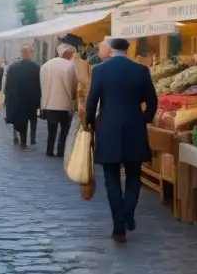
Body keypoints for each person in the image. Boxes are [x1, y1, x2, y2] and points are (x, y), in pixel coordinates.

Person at [85, 37, 157, 244]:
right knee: (134, 176)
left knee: (111, 178)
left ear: (111, 49)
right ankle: (128, 214)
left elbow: (91, 102)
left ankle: (119, 226)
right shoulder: (141, 71)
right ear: (128, 50)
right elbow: (152, 101)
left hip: (108, 129)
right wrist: (144, 119)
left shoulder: (99, 70)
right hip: (134, 127)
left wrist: (89, 123)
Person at [40, 43, 78, 158]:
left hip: (50, 102)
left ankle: (49, 150)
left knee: (51, 129)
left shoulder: (46, 65)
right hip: (64, 103)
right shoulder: (70, 65)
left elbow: (42, 84)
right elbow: (74, 84)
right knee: (64, 128)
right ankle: (61, 150)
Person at [4, 45, 41, 147]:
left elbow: (8, 85)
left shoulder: (13, 67)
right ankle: (32, 138)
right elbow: (39, 85)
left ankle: (22, 138)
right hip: (32, 100)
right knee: (33, 119)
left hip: (18, 99)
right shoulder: (36, 67)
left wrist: (7, 97)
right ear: (29, 54)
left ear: (21, 54)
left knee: (20, 119)